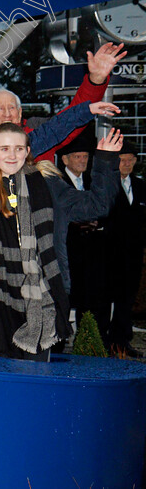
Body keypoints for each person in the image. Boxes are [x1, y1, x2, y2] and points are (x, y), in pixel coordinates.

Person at [0, 123, 122, 361]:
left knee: (34, 381)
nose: (12, 155)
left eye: (19, 148)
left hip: (43, 299)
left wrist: (105, 160)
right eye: (5, 148)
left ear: (27, 150)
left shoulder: (47, 184)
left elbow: (98, 206)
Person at [0, 43, 125, 162]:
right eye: (0, 108)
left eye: (12, 107)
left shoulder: (41, 134)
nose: (7, 113)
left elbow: (72, 117)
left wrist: (96, 80)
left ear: (20, 113)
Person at [58, 136, 111, 343]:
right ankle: (60, 344)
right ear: (65, 160)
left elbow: (105, 207)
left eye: (86, 156)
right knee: (65, 299)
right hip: (67, 251)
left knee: (90, 302)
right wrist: (76, 224)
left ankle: (87, 342)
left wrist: (96, 224)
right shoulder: (57, 181)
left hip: (91, 254)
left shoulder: (92, 181)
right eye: (78, 156)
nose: (82, 160)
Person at [107, 142, 146, 357]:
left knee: (127, 299)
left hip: (133, 254)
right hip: (110, 253)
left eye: (131, 159)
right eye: (123, 159)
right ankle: (106, 341)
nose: (127, 163)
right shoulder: (107, 186)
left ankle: (122, 341)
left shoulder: (140, 186)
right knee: (107, 299)